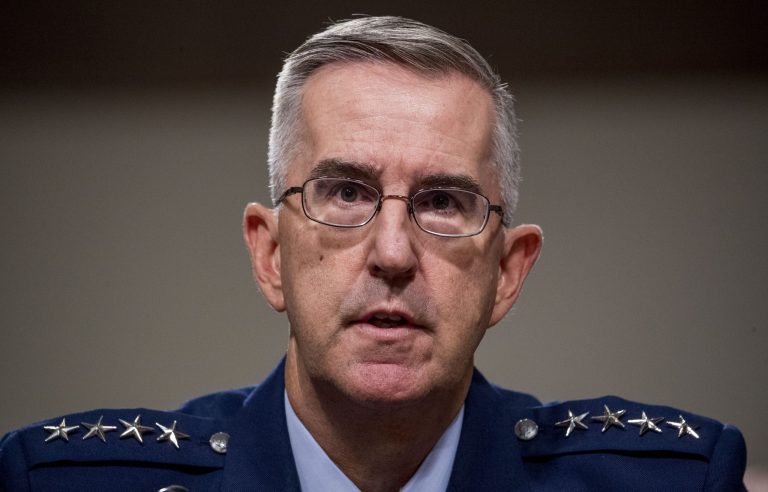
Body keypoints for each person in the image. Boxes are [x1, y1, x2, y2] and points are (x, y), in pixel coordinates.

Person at [0, 16, 747, 492]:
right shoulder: (61, 481)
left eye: (444, 202)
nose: (393, 252)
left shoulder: (671, 479)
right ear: (269, 256)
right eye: (346, 193)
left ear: (508, 273)